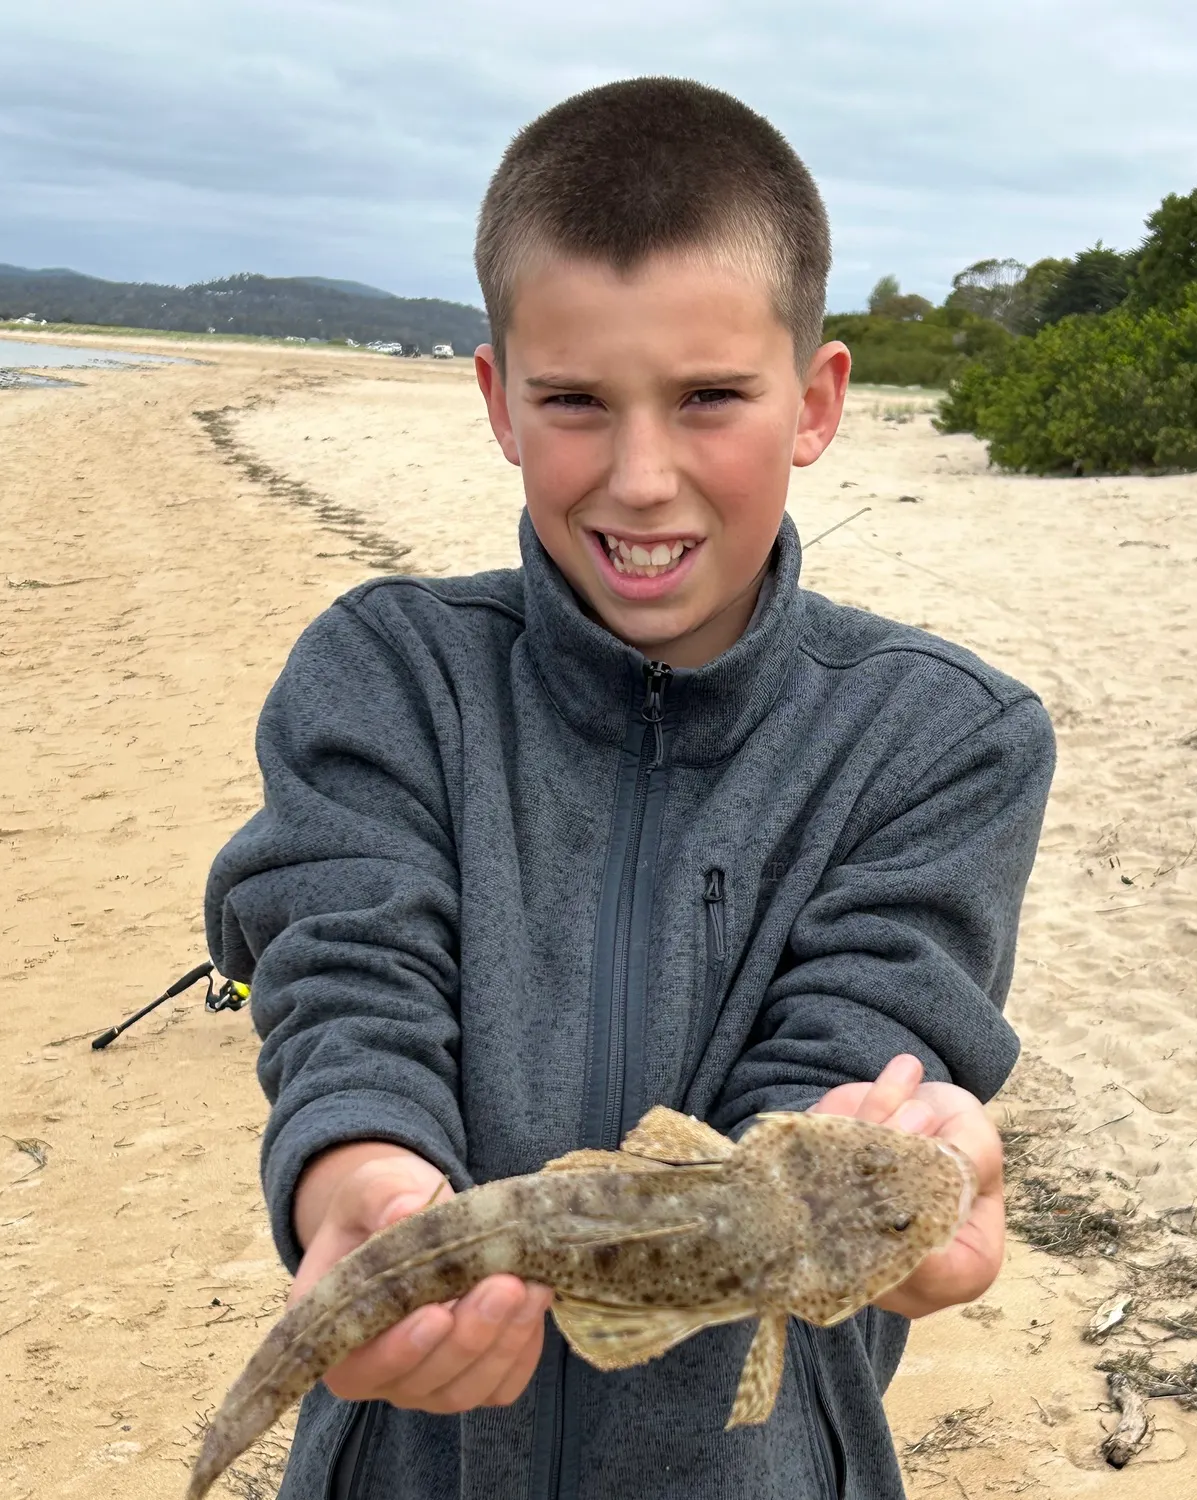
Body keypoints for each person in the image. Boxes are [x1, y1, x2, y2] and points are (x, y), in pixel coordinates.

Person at [205, 76, 1055, 1500]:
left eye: (711, 397)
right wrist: (358, 1173)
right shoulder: (387, 676)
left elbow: (859, 1047)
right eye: (577, 403)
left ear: (817, 400)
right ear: (498, 400)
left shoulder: (945, 738)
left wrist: (897, 1155)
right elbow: (349, 976)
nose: (643, 476)